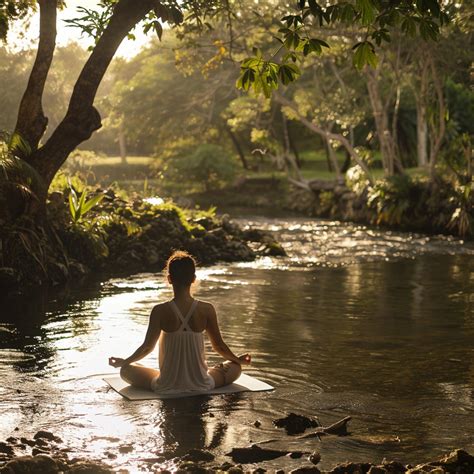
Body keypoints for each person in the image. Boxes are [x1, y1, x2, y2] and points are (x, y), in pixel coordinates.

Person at [109, 250, 251, 393]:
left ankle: (162, 376)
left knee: (126, 369)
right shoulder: (207, 309)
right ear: (193, 278)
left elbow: (147, 348)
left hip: (165, 385)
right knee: (235, 367)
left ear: (169, 279)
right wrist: (238, 360)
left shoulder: (160, 310)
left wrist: (124, 362)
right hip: (202, 384)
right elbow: (219, 346)